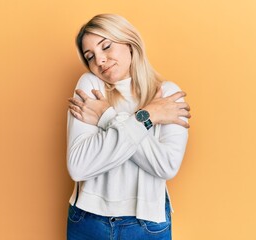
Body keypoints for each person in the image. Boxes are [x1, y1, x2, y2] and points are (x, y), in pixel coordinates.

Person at [66, 13, 191, 240]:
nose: (100, 60)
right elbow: (78, 166)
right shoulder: (91, 85)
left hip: (147, 224)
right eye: (90, 56)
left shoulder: (168, 95)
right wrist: (149, 116)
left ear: (130, 43)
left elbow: (166, 166)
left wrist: (107, 117)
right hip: (88, 220)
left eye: (106, 46)